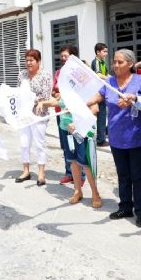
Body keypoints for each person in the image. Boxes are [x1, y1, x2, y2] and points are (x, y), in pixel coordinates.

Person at [88, 49, 141, 227]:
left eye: (120, 62)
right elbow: (97, 97)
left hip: (136, 137)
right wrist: (82, 103)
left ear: (130, 64)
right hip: (116, 137)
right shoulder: (109, 82)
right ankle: (125, 206)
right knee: (123, 174)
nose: (115, 65)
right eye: (114, 62)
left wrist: (133, 100)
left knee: (137, 176)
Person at [15, 49, 52, 186]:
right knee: (24, 143)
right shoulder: (22, 75)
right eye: (27, 60)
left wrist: (31, 99)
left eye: (32, 60)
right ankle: (26, 171)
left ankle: (41, 173)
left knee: (39, 144)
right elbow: (18, 93)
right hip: (24, 114)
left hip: (39, 114)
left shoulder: (45, 76)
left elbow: (46, 96)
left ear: (38, 61)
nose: (29, 63)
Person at [53, 45, 85, 185]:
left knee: (79, 145)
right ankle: (69, 173)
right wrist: (56, 94)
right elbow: (54, 90)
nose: (63, 58)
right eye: (62, 56)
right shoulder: (59, 73)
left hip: (76, 115)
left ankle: (82, 176)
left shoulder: (79, 72)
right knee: (67, 146)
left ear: (73, 57)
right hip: (62, 113)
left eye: (65, 55)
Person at [90, 43, 109, 147]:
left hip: (103, 90)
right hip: (98, 92)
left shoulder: (102, 62)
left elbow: (106, 74)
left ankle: (101, 137)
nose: (106, 53)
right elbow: (98, 75)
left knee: (102, 115)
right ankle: (100, 139)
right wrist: (109, 79)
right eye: (104, 51)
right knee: (100, 115)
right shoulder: (96, 61)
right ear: (98, 52)